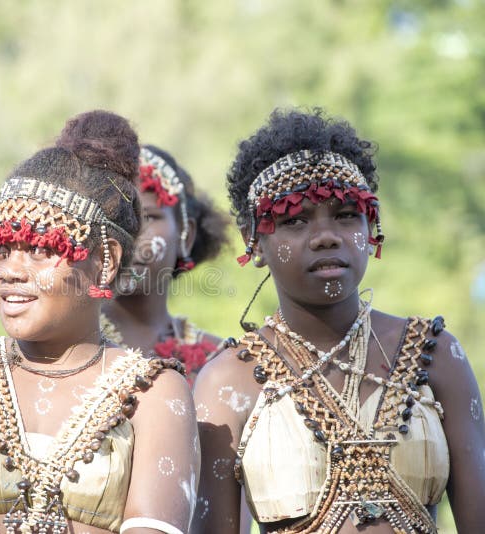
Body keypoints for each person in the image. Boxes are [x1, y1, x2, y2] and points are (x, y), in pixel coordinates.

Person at [0, 110, 199, 534]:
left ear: (105, 263)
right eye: (1, 250)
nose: (9, 271)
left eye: (40, 250)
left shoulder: (153, 394)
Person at [193, 108, 485, 533]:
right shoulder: (231, 381)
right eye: (294, 220)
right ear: (253, 241)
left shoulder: (435, 354)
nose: (326, 235)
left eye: (347, 215)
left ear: (372, 227)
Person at [101, 144, 230, 384]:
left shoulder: (220, 360)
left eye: (148, 217)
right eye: (115, 217)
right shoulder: (66, 349)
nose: (131, 233)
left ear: (186, 235)